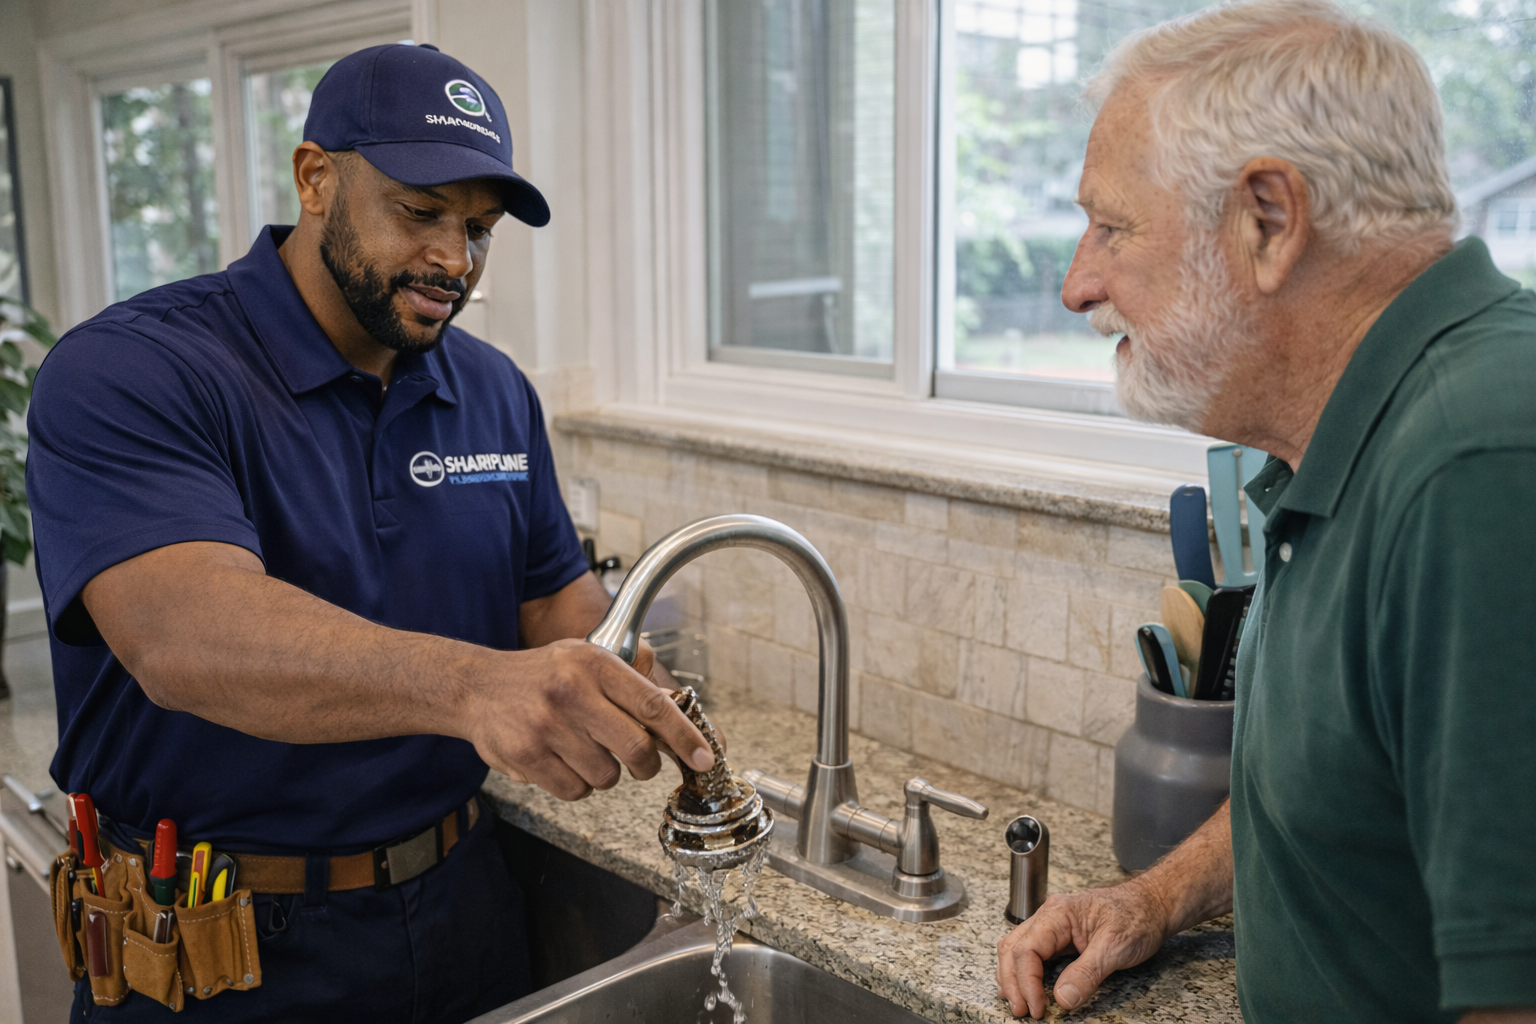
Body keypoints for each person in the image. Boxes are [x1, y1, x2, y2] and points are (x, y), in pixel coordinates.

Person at [28, 43, 714, 1023]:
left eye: (478, 229)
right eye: (421, 212)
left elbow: (552, 599)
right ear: (316, 179)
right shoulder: (135, 370)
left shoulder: (492, 390)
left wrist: (627, 674)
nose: (455, 260)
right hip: (222, 941)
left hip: (465, 901)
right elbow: (183, 636)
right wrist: (474, 685)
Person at [994, 2, 1536, 1021]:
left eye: (1112, 226)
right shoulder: (1345, 438)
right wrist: (1157, 897)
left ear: (1270, 223)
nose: (1077, 285)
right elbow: (1352, 780)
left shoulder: (1477, 468)